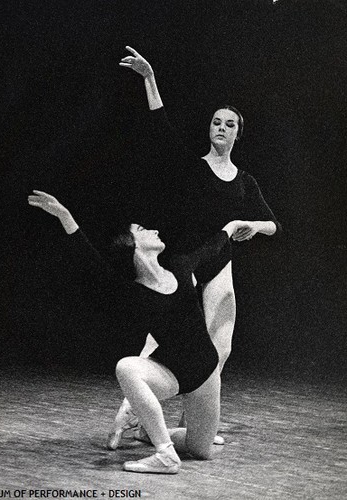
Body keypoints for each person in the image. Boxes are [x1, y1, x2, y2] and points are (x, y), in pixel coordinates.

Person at [108, 46, 282, 447]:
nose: (221, 128)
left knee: (220, 348)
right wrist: (150, 79)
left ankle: (198, 422)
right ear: (210, 129)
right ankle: (128, 416)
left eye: (229, 124)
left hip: (220, 265)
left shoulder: (245, 181)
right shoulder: (193, 166)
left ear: (239, 132)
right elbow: (161, 127)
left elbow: (274, 225)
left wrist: (251, 226)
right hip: (184, 264)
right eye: (216, 123)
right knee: (160, 346)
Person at [28, 189, 249, 474]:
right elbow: (91, 262)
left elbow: (211, 248)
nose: (154, 230)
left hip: (206, 371)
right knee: (127, 367)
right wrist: (65, 216)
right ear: (132, 245)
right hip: (172, 372)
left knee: (201, 451)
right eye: (144, 229)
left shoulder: (180, 266)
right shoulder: (131, 292)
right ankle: (165, 455)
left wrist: (231, 227)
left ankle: (148, 431)